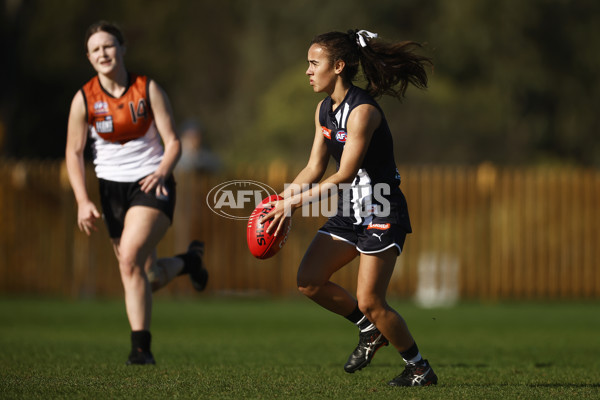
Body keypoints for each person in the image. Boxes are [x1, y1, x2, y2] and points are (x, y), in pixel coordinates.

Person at [261, 30, 437, 387]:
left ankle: (419, 368)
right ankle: (369, 331)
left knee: (371, 299)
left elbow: (344, 173)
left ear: (338, 66)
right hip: (350, 212)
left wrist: (294, 203)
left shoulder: (363, 112)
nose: (308, 71)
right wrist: (282, 201)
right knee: (308, 281)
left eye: (314, 64)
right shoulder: (324, 110)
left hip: (382, 210)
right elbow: (314, 167)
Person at [65, 21, 208, 365]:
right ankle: (189, 262)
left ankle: (140, 350)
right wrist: (83, 201)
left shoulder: (147, 88)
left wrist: (161, 171)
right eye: (96, 49)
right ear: (89, 57)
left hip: (152, 183)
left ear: (123, 48)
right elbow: (73, 152)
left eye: (109, 45)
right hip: (110, 190)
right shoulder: (84, 98)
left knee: (128, 259)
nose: (103, 53)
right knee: (147, 275)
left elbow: (173, 142)